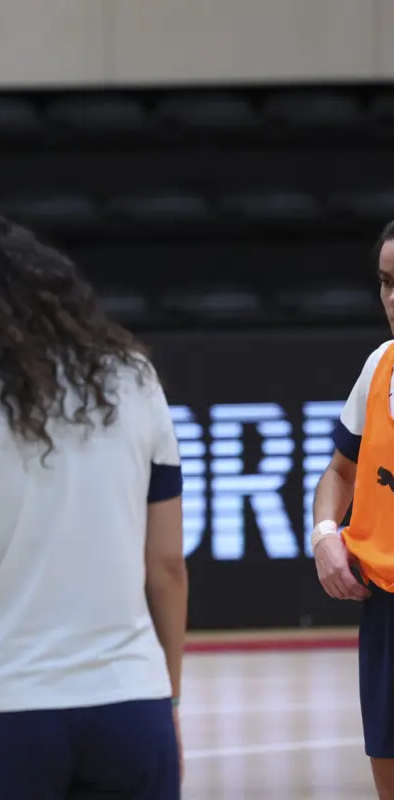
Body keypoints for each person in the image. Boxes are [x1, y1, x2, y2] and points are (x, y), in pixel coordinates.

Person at [0, 208, 188, 800]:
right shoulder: (136, 380)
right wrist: (167, 698)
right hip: (130, 704)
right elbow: (168, 567)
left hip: (7, 713)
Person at [311, 220, 394, 798]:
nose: (393, 299)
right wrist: (324, 536)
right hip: (386, 610)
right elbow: (337, 474)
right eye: (387, 282)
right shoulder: (380, 365)